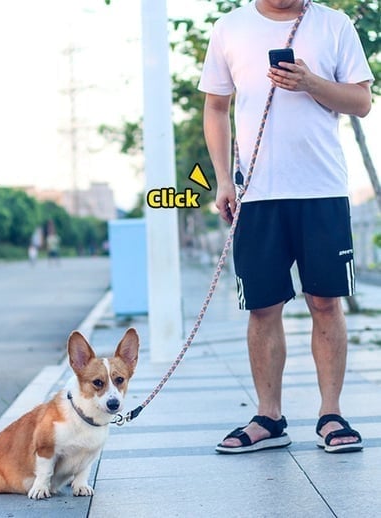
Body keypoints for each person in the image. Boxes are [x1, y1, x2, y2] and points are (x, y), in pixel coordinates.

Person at [199, 0, 373, 454]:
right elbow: (216, 108)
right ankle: (268, 418)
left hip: (322, 190)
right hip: (256, 194)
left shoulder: (334, 25)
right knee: (262, 307)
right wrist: (222, 179)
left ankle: (330, 414)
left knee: (325, 302)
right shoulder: (230, 27)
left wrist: (311, 82)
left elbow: (361, 101)